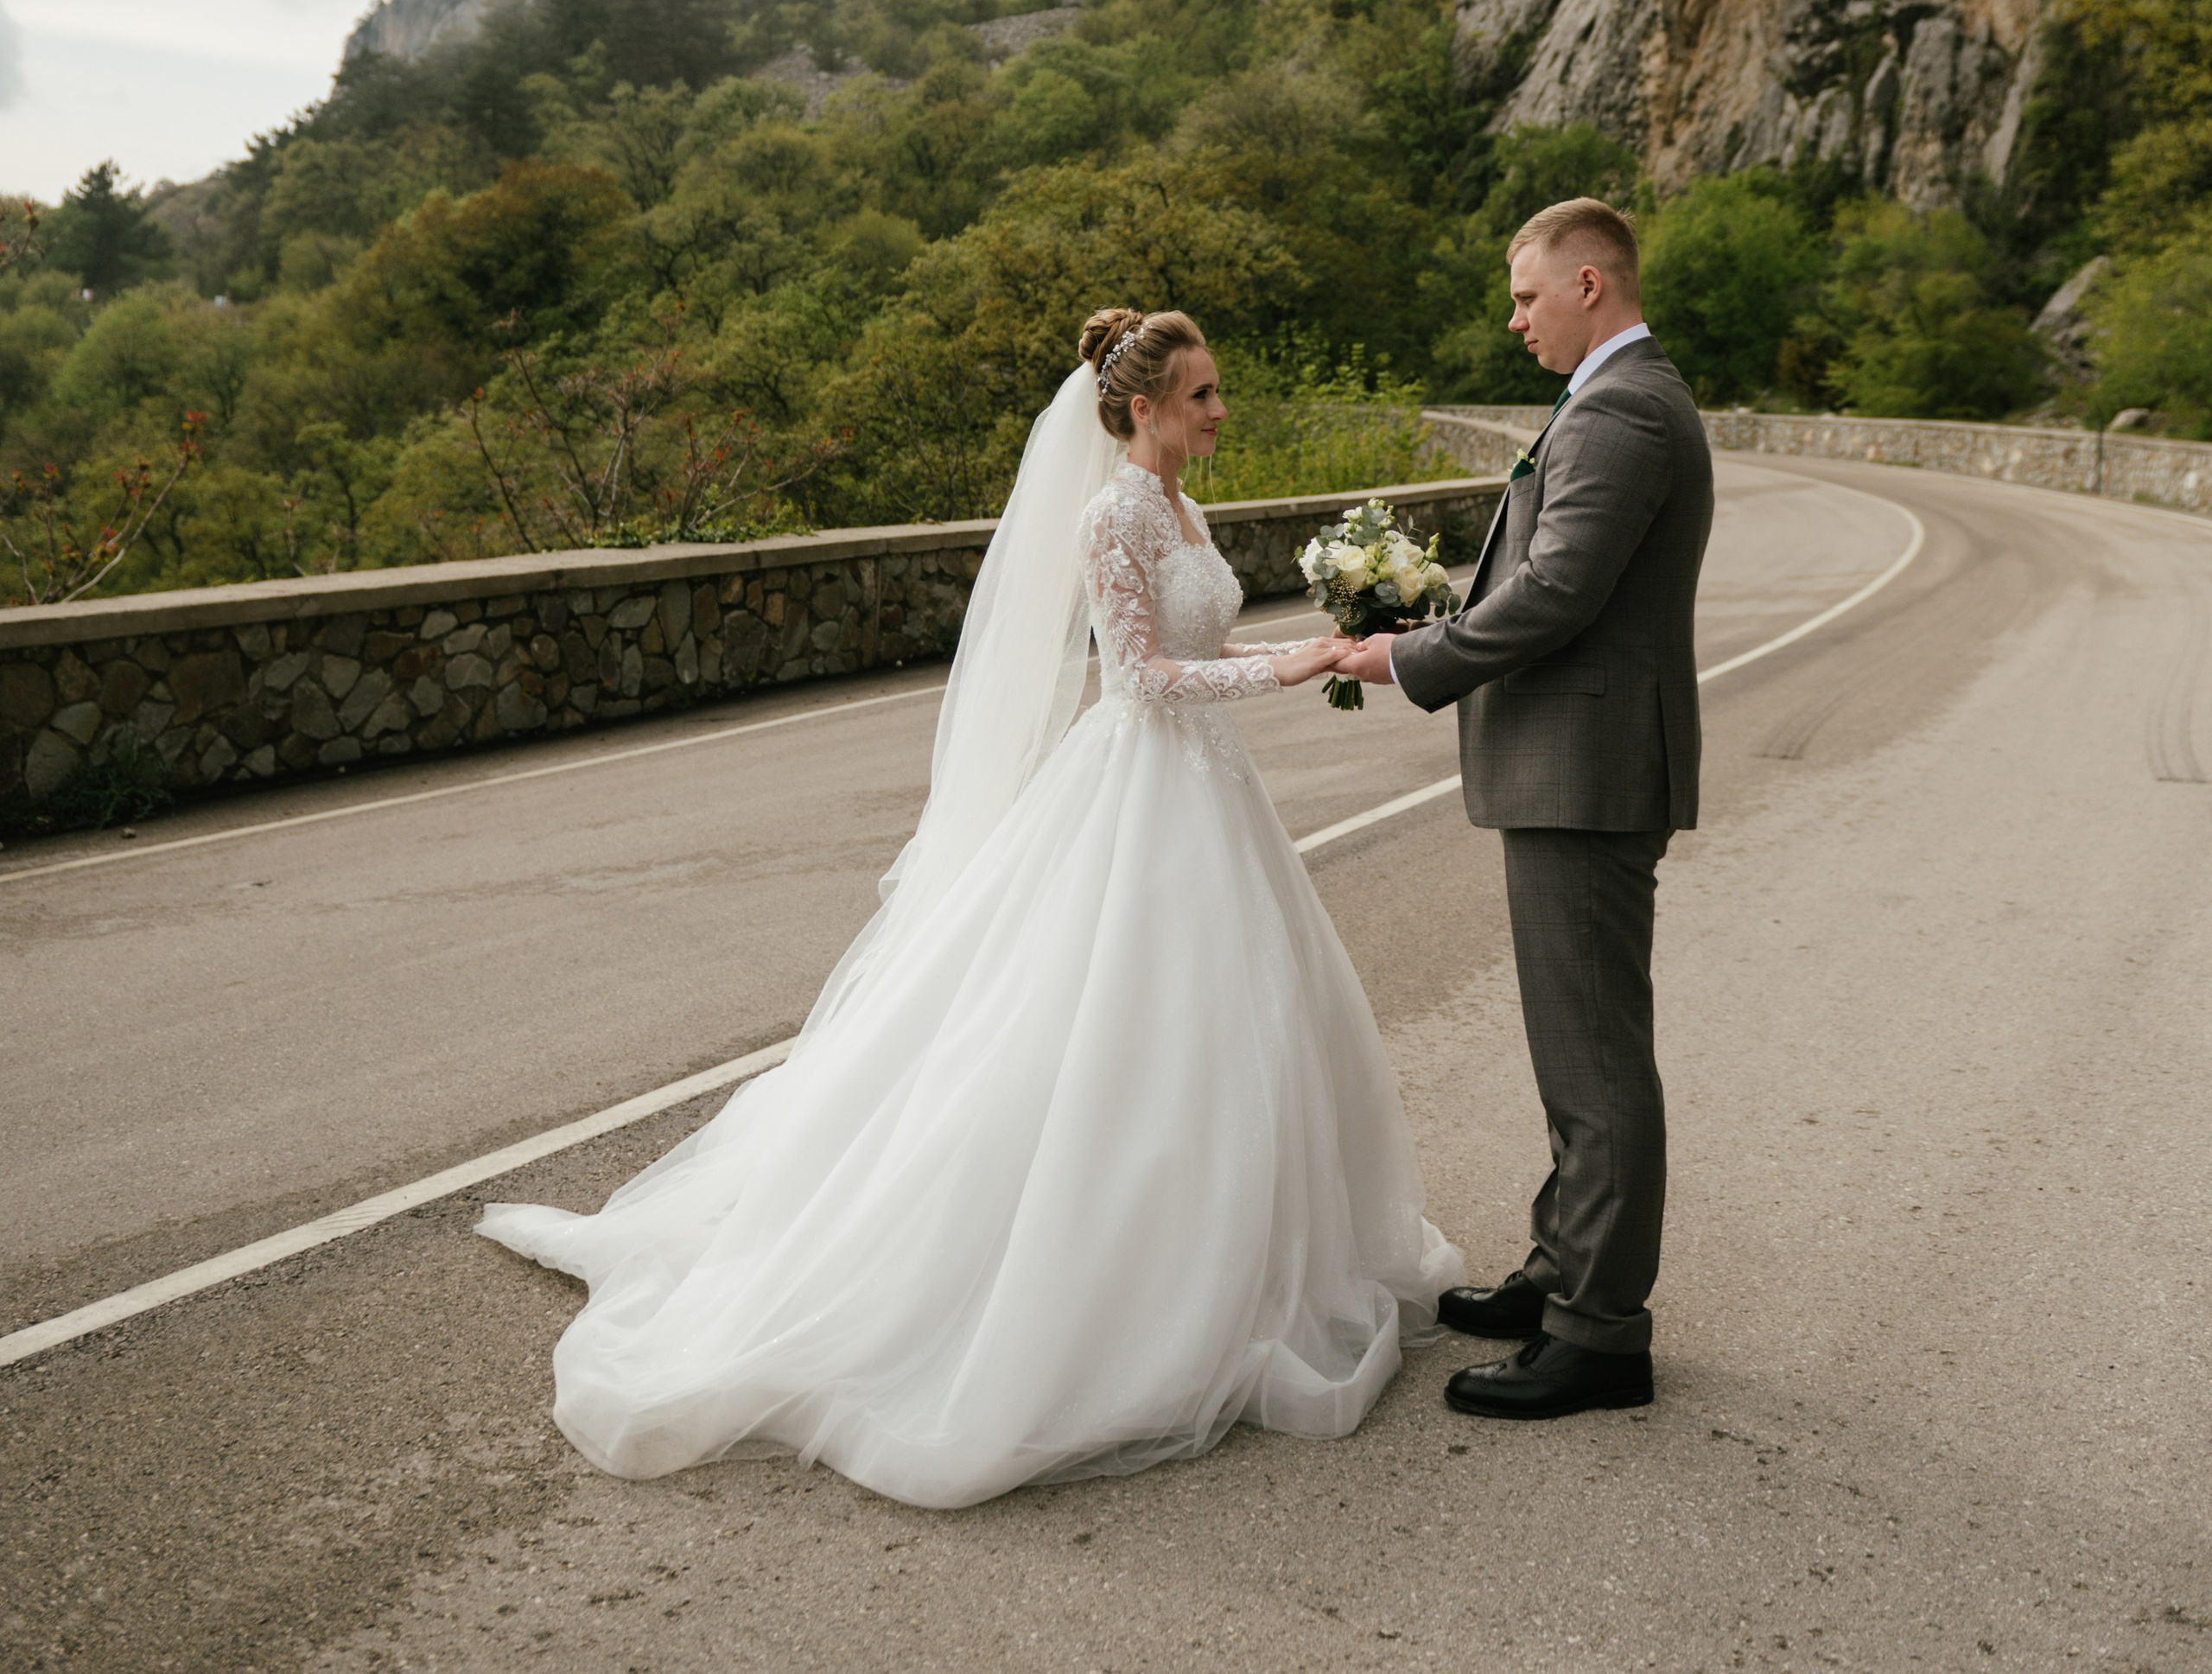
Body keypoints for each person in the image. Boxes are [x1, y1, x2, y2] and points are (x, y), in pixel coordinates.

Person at [480, 306, 1463, 1505]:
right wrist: (1289, 666)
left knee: (1238, 1027)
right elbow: (1141, 677)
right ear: (1141, 407)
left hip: (1212, 792)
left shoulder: (1183, 508)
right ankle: (1117, 1286)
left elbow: (1192, 634)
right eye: (1200, 395)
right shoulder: (1111, 512)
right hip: (1145, 790)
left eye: (1216, 391)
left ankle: (1245, 1260)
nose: (1218, 411)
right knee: (1114, 1028)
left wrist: (1322, 636)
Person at [1336, 195, 1711, 1421]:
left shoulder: (1625, 407)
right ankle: (1562, 1270)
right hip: (1573, 764)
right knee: (1573, 1046)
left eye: (1527, 295)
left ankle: (1600, 1335)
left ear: (1590, 285)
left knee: (1597, 1056)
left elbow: (1555, 591)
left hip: (1589, 772)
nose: (1515, 320)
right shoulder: (1606, 401)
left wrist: (1416, 659)